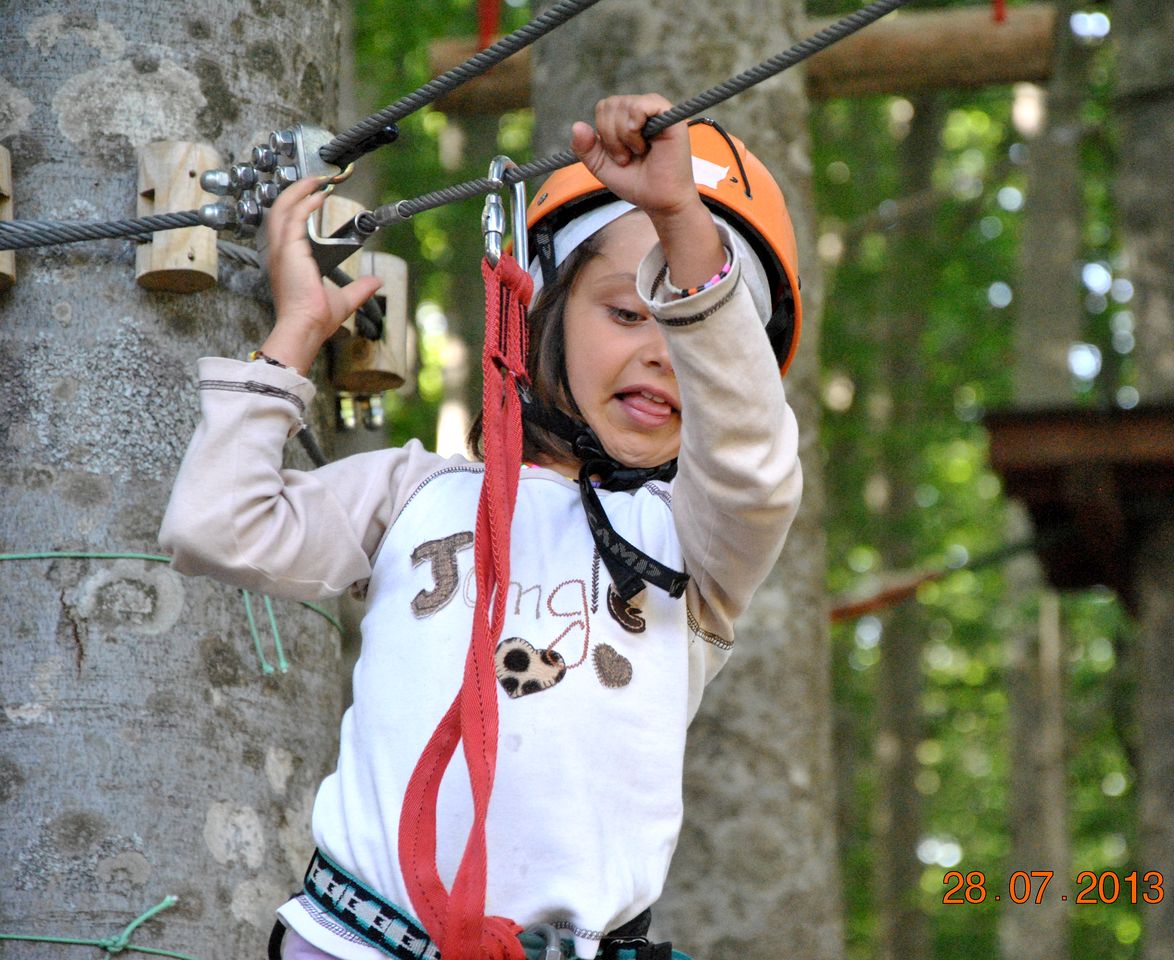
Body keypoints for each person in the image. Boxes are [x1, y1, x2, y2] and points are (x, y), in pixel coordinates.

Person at [158, 93, 802, 960]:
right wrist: (294, 336)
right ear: (541, 312)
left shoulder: (694, 546)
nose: (660, 353)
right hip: (353, 943)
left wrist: (682, 220)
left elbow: (751, 460)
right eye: (625, 313)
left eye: (690, 340)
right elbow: (215, 526)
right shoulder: (414, 493)